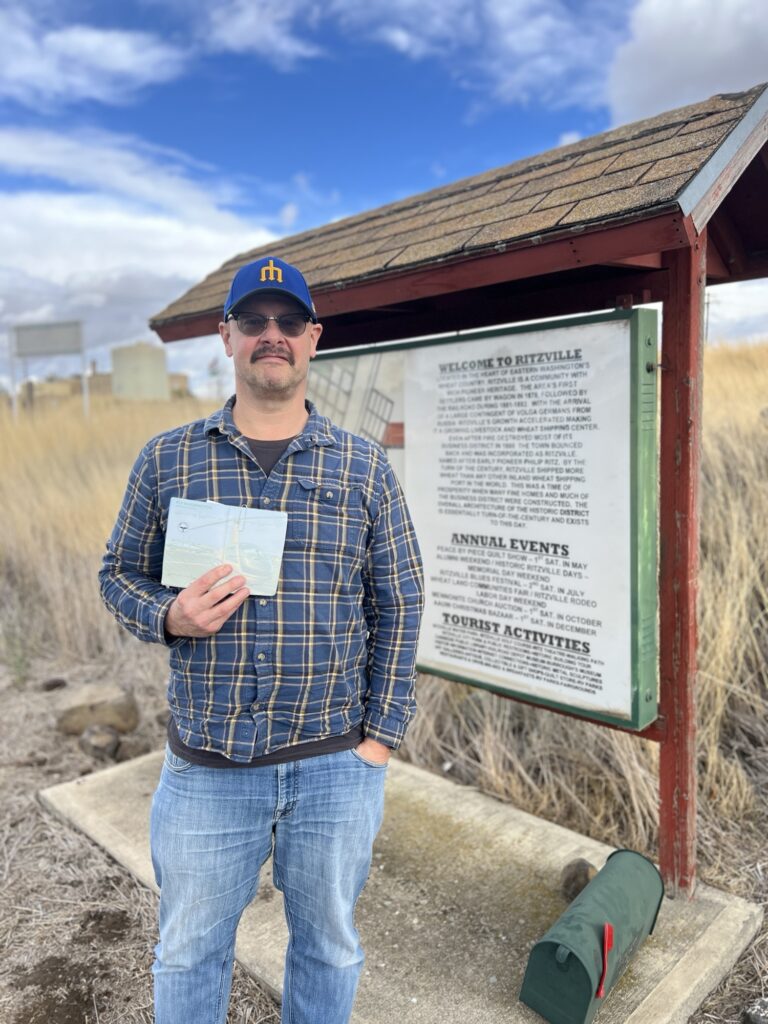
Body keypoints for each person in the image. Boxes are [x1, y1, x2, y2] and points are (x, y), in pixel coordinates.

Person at [99, 255, 424, 1024]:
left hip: (334, 765)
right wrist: (169, 616)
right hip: (208, 767)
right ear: (227, 337)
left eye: (288, 321)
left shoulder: (363, 468)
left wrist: (379, 740)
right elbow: (118, 574)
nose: (271, 334)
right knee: (188, 951)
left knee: (329, 949)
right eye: (254, 321)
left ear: (313, 338)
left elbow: (400, 601)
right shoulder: (169, 458)